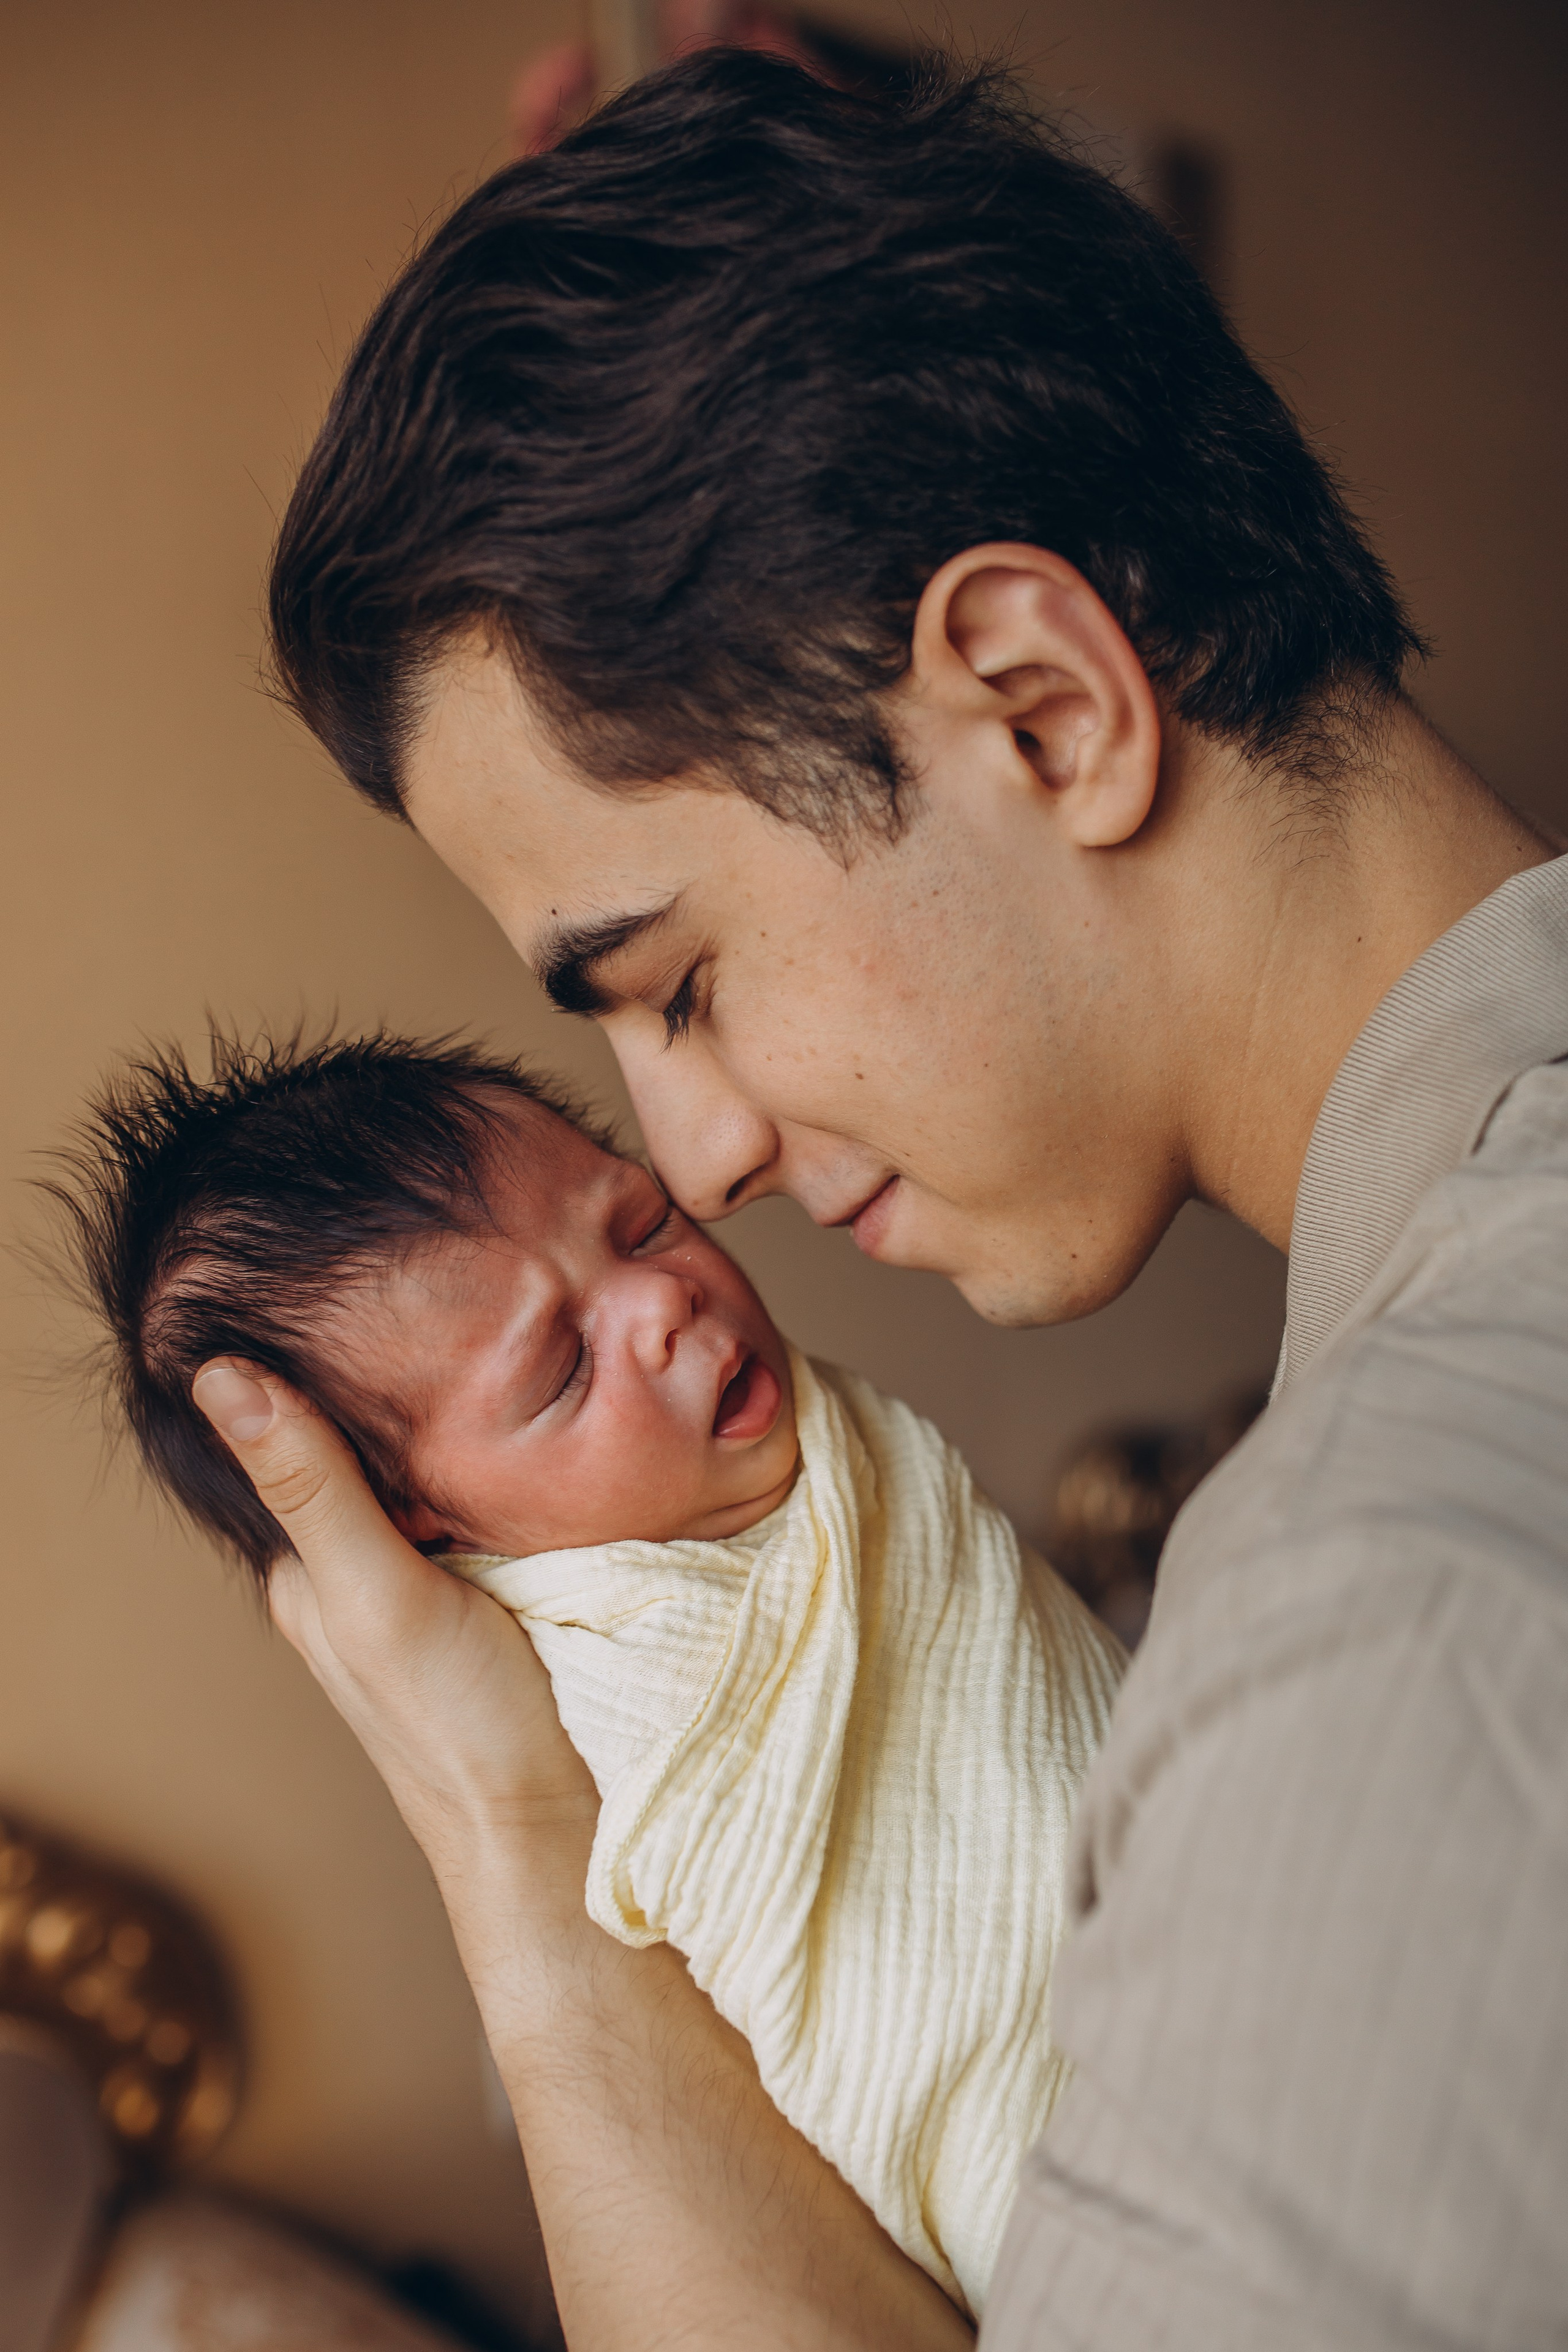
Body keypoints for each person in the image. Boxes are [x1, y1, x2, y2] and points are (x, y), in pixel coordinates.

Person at [192, 47, 1568, 2351]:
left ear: (1043, 709)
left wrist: (527, 1885)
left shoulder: (1381, 1625)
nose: (701, 1156)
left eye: (682, 978)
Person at [61, 1025, 1123, 2313]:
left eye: (637, 1225)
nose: (659, 1302)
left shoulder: (810, 1454)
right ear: (421, 1532)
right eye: (560, 1369)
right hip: (1071, 2150)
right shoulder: (584, 1657)